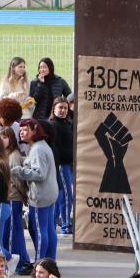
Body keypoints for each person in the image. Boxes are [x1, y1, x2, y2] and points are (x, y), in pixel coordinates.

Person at [12, 119, 59, 261]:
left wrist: (19, 171)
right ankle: (50, 262)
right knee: (49, 229)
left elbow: (40, 173)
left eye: (25, 129)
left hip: (40, 196)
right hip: (48, 193)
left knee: (39, 230)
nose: (21, 133)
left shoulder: (38, 149)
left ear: (35, 130)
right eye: (20, 130)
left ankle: (39, 264)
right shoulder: (40, 146)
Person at [0, 128, 31, 275]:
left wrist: (24, 196)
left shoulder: (14, 155)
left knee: (13, 232)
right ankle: (21, 260)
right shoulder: (7, 154)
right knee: (13, 231)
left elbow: (17, 180)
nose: (2, 140)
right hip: (9, 197)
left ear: (11, 139)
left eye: (5, 137)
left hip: (13, 197)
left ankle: (15, 262)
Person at [50, 97, 75, 235]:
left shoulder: (66, 122)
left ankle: (58, 223)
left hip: (67, 164)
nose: (63, 110)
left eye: (65, 108)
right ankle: (66, 224)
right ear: (54, 108)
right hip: (61, 165)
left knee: (61, 195)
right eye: (60, 107)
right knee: (66, 195)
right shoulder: (54, 124)